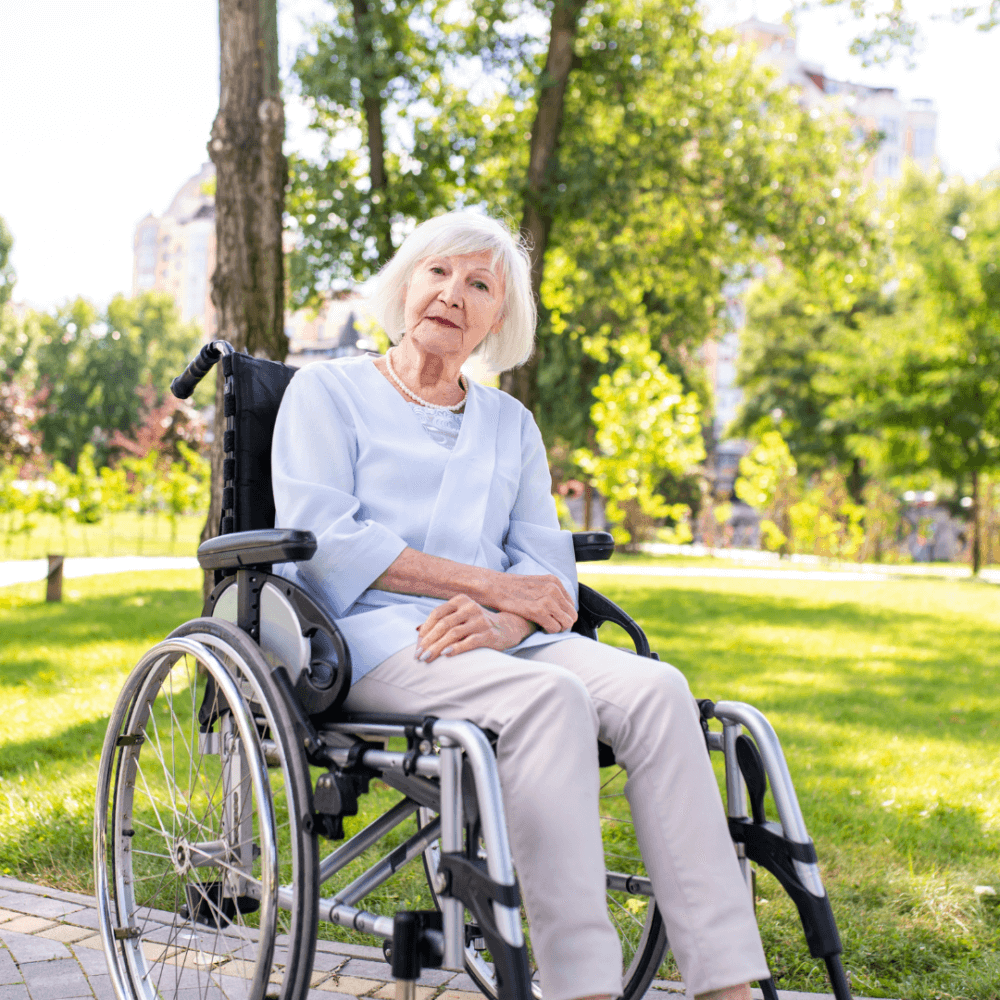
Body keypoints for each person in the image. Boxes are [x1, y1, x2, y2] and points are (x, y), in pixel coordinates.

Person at [271, 210, 769, 1000]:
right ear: (406, 284)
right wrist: (488, 589)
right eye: (438, 273)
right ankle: (582, 987)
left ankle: (726, 983)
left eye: (478, 285)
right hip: (371, 638)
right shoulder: (327, 393)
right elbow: (330, 542)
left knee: (658, 689)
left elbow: (545, 571)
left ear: (498, 318)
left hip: (501, 638)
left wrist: (502, 619)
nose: (452, 295)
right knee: (551, 699)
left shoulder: (511, 423)